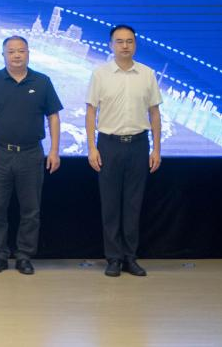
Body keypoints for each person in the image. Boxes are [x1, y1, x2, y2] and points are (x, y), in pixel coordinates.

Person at [0, 35, 62, 275]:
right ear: (3, 55)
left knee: (31, 210)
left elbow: (53, 117)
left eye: (21, 51)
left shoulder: (42, 81)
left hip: (32, 154)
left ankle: (24, 256)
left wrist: (54, 150)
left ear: (28, 53)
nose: (16, 55)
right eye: (11, 51)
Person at [86, 25, 163, 277]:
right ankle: (113, 259)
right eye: (119, 41)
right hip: (108, 145)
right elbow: (91, 112)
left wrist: (156, 149)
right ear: (111, 45)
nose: (125, 46)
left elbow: (154, 113)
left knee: (133, 204)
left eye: (129, 41)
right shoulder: (100, 74)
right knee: (110, 205)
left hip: (139, 145)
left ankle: (130, 257)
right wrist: (91, 147)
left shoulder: (147, 74)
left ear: (135, 45)